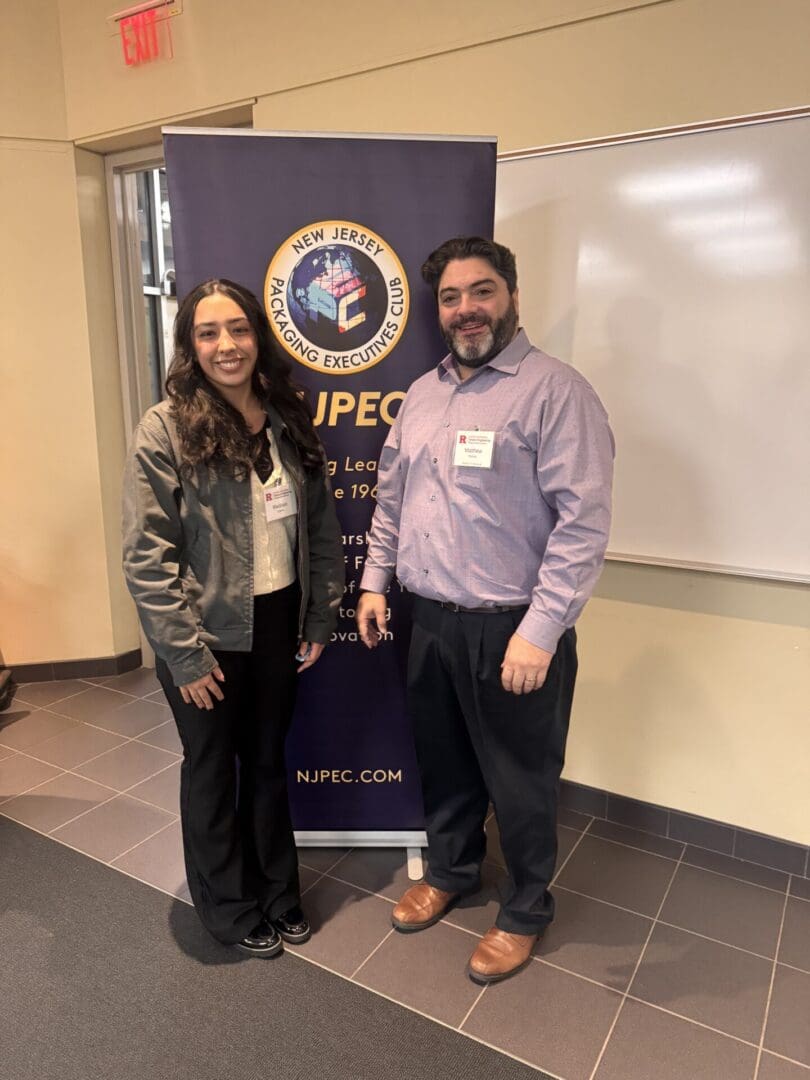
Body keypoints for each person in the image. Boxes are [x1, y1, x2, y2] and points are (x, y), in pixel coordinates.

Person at [356, 237, 614, 984]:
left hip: (513, 629)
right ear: (438, 311)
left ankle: (526, 908)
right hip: (430, 620)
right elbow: (393, 499)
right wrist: (375, 581)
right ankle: (452, 870)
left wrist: (541, 631)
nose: (466, 309)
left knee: (521, 779)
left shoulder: (556, 392)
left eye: (482, 291)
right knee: (444, 763)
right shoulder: (422, 394)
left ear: (512, 297)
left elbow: (583, 525)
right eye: (451, 297)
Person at [123, 279, 343, 957]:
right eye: (209, 332)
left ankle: (278, 891)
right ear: (190, 344)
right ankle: (227, 904)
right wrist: (184, 655)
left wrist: (318, 617)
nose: (227, 345)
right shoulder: (165, 427)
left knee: (268, 761)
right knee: (214, 766)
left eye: (239, 329)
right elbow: (146, 554)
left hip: (278, 621)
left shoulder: (286, 416)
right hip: (204, 632)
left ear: (258, 337)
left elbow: (321, 526)